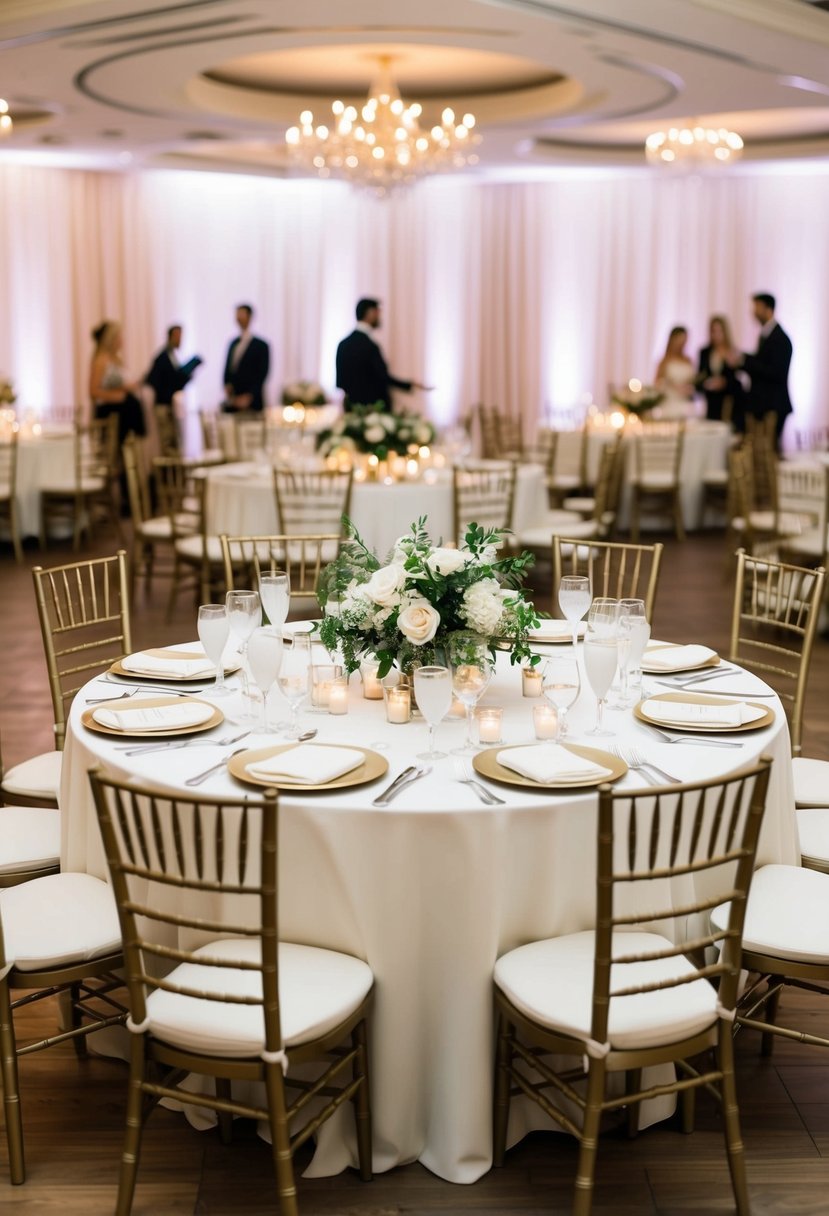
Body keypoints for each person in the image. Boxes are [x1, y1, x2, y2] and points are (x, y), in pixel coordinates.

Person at [336, 298, 430, 412]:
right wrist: (409, 384)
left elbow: (340, 382)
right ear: (370, 313)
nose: (379, 317)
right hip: (374, 410)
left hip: (350, 408)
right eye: (377, 313)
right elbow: (383, 377)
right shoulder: (370, 346)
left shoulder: (343, 344)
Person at [728, 293, 793, 447]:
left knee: (768, 452)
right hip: (764, 404)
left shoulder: (779, 338)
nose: (754, 312)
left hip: (773, 404)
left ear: (768, 309)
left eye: (757, 307)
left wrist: (744, 361)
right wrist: (742, 359)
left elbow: (774, 371)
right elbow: (761, 361)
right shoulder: (768, 335)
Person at [89, 320, 146, 443]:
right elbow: (93, 392)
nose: (122, 340)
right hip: (112, 413)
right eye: (119, 336)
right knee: (114, 451)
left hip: (124, 411)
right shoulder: (100, 361)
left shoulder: (116, 360)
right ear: (111, 339)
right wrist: (120, 395)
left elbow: (115, 386)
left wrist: (127, 388)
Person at [696, 314, 743, 427]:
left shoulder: (732, 352)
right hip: (711, 401)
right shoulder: (705, 352)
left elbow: (736, 379)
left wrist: (724, 382)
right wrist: (707, 383)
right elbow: (700, 376)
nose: (716, 335)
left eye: (719, 331)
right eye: (713, 331)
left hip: (729, 401)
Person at [222, 303, 270, 412]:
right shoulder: (233, 343)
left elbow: (263, 373)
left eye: (242, 314)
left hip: (252, 403)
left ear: (250, 317)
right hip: (234, 401)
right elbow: (228, 369)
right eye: (237, 315)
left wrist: (250, 396)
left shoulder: (261, 345)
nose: (239, 318)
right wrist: (227, 385)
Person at [145, 324, 202, 406]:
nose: (180, 340)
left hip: (168, 403)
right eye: (178, 336)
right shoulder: (163, 357)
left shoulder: (170, 356)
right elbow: (171, 380)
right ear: (171, 337)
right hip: (163, 404)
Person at [654, 325, 697, 420]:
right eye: (679, 340)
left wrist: (689, 388)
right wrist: (674, 387)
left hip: (686, 402)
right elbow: (657, 383)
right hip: (670, 402)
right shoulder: (664, 361)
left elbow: (693, 381)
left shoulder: (688, 360)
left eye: (684, 341)